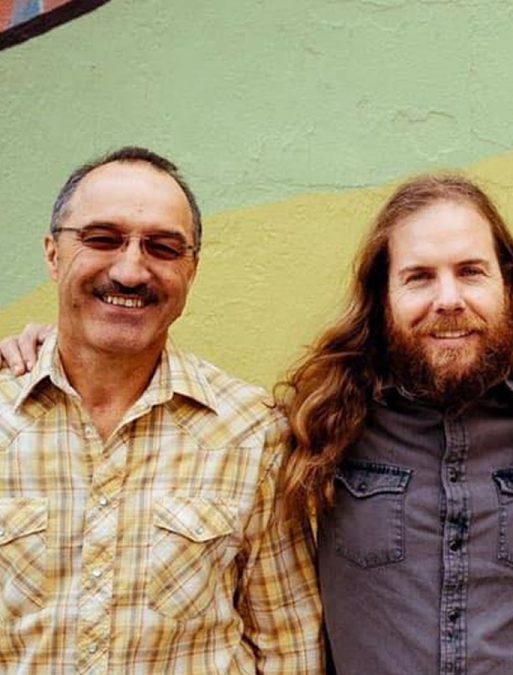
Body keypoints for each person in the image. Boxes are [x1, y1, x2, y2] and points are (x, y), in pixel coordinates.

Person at [0, 147, 323, 671]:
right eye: (102, 239)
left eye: (163, 248)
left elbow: (289, 647)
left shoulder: (251, 432)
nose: (131, 270)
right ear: (53, 255)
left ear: (192, 271)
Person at [275, 174, 513, 674]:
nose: (448, 299)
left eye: (470, 271)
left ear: (506, 283)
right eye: (419, 277)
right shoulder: (322, 418)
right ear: (383, 293)